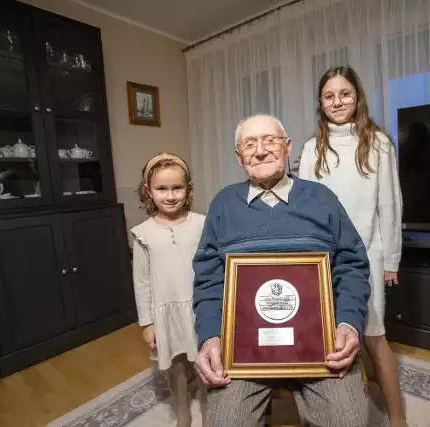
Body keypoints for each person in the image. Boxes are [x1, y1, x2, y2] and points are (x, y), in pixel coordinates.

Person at [192, 114, 371, 427]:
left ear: (287, 147)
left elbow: (352, 262)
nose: (260, 151)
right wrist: (209, 337)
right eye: (249, 144)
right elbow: (208, 280)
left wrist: (348, 324)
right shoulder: (223, 204)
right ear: (239, 157)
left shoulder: (322, 198)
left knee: (349, 421)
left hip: (320, 343)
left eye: (269, 140)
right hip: (243, 349)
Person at [298, 66, 407, 427]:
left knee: (374, 337)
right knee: (330, 335)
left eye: (345, 93)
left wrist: (390, 259)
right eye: (329, 96)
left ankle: (397, 418)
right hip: (322, 259)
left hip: (368, 256)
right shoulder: (312, 148)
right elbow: (305, 207)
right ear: (320, 102)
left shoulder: (378, 143)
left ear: (357, 96)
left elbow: (390, 205)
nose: (338, 101)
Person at [131, 153, 207, 427]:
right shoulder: (143, 233)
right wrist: (147, 322)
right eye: (162, 189)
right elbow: (141, 281)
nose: (170, 195)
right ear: (148, 192)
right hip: (165, 311)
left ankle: (211, 411)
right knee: (175, 367)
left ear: (189, 189)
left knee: (204, 363)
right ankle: (182, 413)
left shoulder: (201, 224)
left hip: (199, 308)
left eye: (177, 187)